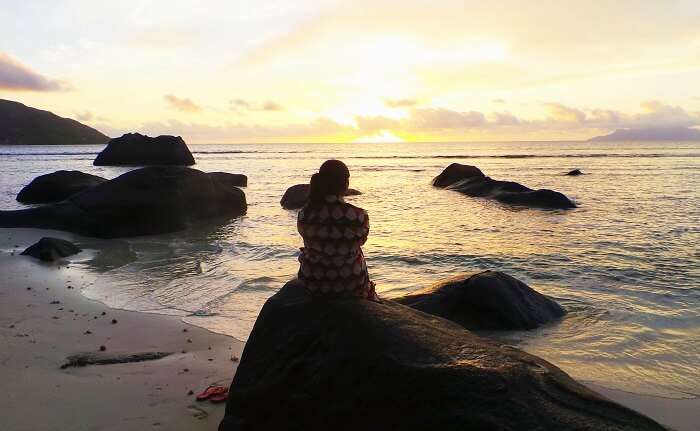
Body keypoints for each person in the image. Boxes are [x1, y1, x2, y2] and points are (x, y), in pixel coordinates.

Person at [297, 160, 378, 301]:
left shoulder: (305, 213)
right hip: (350, 284)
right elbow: (362, 241)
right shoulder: (359, 215)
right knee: (356, 250)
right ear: (345, 185)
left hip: (312, 282)